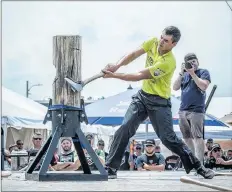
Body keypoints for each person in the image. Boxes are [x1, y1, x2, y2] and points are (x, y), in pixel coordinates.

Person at [102, 26, 214, 179]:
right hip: (142, 97)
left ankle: (198, 166)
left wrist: (114, 75)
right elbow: (133, 54)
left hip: (160, 102)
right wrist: (117, 65)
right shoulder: (153, 42)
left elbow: (140, 75)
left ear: (173, 44)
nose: (161, 41)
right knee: (124, 128)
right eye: (161, 37)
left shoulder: (169, 62)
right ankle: (110, 168)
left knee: (168, 138)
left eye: (166, 40)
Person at [173, 53, 211, 163]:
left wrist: (192, 73)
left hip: (197, 110)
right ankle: (193, 161)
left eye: (194, 61)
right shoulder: (184, 75)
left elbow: (203, 86)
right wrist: (181, 73)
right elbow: (175, 87)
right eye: (189, 62)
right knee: (186, 137)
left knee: (197, 137)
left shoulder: (203, 72)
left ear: (198, 61)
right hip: (183, 110)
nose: (192, 64)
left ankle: (199, 163)